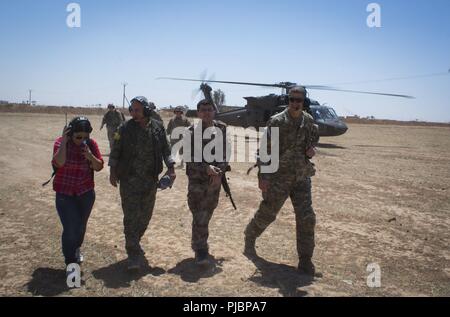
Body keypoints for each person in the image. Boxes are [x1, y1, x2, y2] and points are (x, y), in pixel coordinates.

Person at [243, 86, 320, 276]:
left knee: (307, 218)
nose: (295, 103)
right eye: (292, 99)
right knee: (268, 213)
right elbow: (264, 150)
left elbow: (312, 140)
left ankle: (305, 261)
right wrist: (263, 176)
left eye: (299, 100)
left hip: (301, 177)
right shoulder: (277, 122)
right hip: (279, 178)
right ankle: (250, 237)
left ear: (304, 102)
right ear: (288, 100)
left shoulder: (308, 121)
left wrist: (312, 149)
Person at [109, 96, 176, 271]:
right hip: (129, 180)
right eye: (132, 110)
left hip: (150, 180)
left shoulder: (157, 127)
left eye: (137, 109)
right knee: (131, 217)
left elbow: (166, 150)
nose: (133, 113)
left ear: (146, 110)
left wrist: (171, 168)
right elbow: (115, 151)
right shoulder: (124, 128)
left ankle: (134, 242)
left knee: (145, 216)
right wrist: (112, 171)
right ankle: (133, 254)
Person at [52, 116, 104, 270]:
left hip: (85, 193)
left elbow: (99, 166)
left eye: (85, 137)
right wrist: (64, 142)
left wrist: (90, 156)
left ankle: (76, 248)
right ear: (70, 133)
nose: (81, 140)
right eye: (78, 137)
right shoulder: (60, 143)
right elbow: (58, 162)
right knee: (70, 228)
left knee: (80, 227)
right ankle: (70, 261)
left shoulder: (91, 144)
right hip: (64, 194)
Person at [185, 99, 229, 265]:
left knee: (208, 211)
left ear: (214, 111)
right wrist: (206, 168)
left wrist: (219, 171)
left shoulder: (221, 128)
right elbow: (188, 158)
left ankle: (199, 244)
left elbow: (226, 152)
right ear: (198, 113)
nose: (206, 112)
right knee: (199, 213)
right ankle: (200, 249)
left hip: (214, 180)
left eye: (209, 109)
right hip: (197, 179)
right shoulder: (191, 131)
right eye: (203, 110)